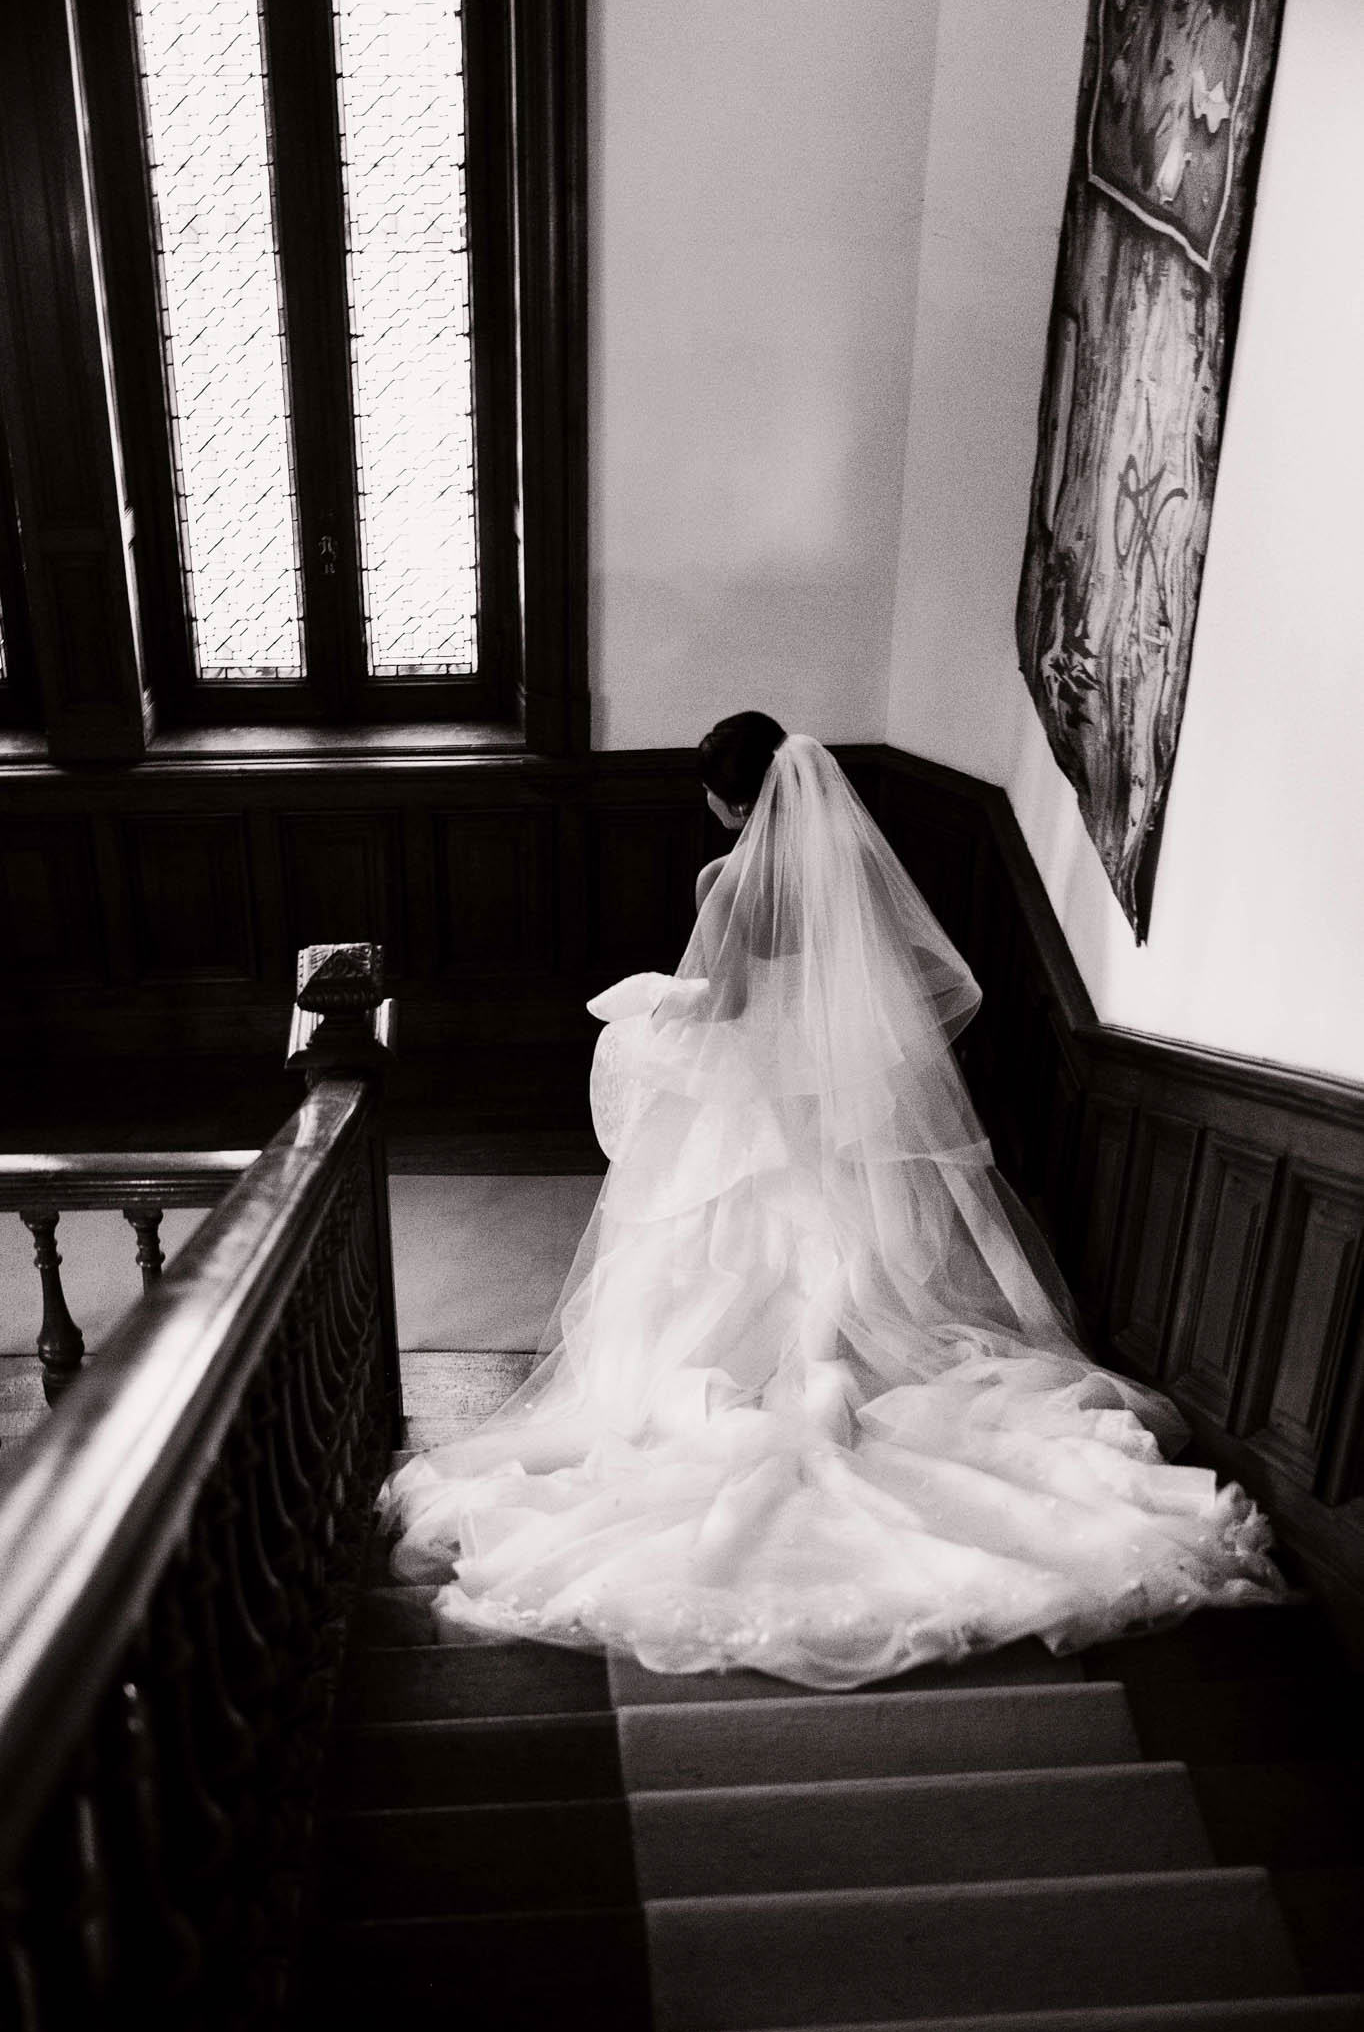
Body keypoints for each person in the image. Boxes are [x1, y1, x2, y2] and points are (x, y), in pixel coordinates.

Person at [380, 715, 1283, 1689]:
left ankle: (758, 1387)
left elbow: (720, 1006)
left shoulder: (722, 882)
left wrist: (643, 1003)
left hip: (753, 1103)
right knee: (839, 1253)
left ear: (732, 801)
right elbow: (867, 992)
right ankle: (832, 1370)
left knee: (712, 1251)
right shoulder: (842, 873)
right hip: (832, 1107)